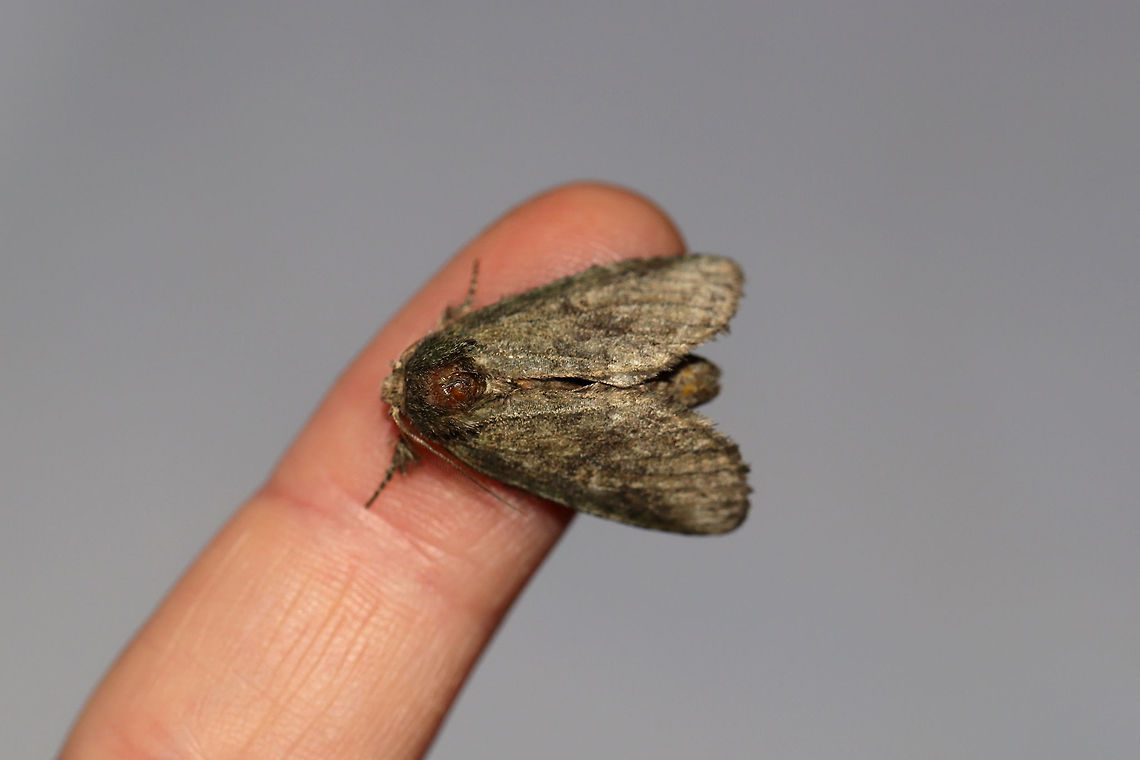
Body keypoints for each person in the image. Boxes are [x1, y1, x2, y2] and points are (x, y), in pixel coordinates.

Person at [61, 183, 686, 758]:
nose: (390, 392)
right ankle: (672, 391)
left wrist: (397, 464)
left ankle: (670, 389)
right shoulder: (448, 358)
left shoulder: (442, 418)